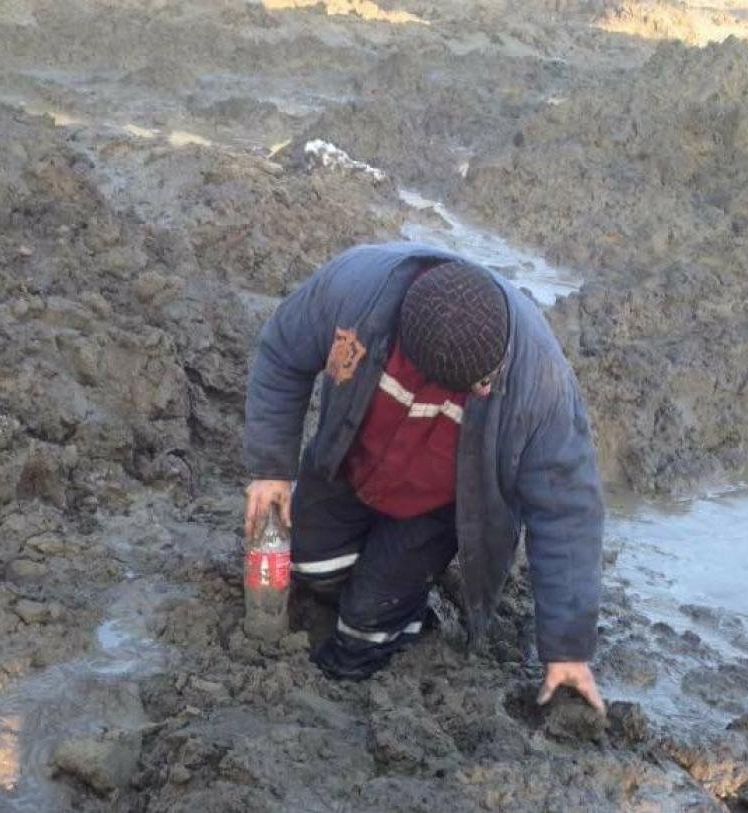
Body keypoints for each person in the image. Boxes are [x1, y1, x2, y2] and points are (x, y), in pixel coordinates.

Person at [243, 242, 605, 712]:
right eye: (479, 385)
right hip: (351, 461)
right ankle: (368, 575)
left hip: (434, 509)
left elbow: (567, 512)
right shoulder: (357, 293)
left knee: (365, 629)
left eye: (489, 379)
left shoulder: (539, 387)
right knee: (310, 566)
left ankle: (404, 609)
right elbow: (282, 353)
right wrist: (271, 471)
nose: (488, 387)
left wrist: (568, 648)